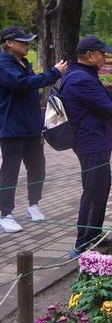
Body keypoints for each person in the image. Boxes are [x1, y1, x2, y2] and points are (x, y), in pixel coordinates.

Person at [61, 36, 112, 258]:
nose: (105, 57)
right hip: (91, 143)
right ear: (90, 55)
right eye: (103, 53)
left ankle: (94, 235)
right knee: (92, 191)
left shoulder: (81, 75)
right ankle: (81, 243)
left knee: (101, 189)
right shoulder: (82, 79)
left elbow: (102, 100)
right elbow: (110, 110)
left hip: (93, 141)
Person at [0, 27, 67, 233]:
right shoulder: (3, 64)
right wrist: (53, 73)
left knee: (38, 167)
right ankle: (5, 213)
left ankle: (33, 205)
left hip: (31, 127)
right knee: (10, 171)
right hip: (11, 128)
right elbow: (22, 84)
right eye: (23, 42)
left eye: (29, 42)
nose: (27, 45)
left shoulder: (24, 63)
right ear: (9, 43)